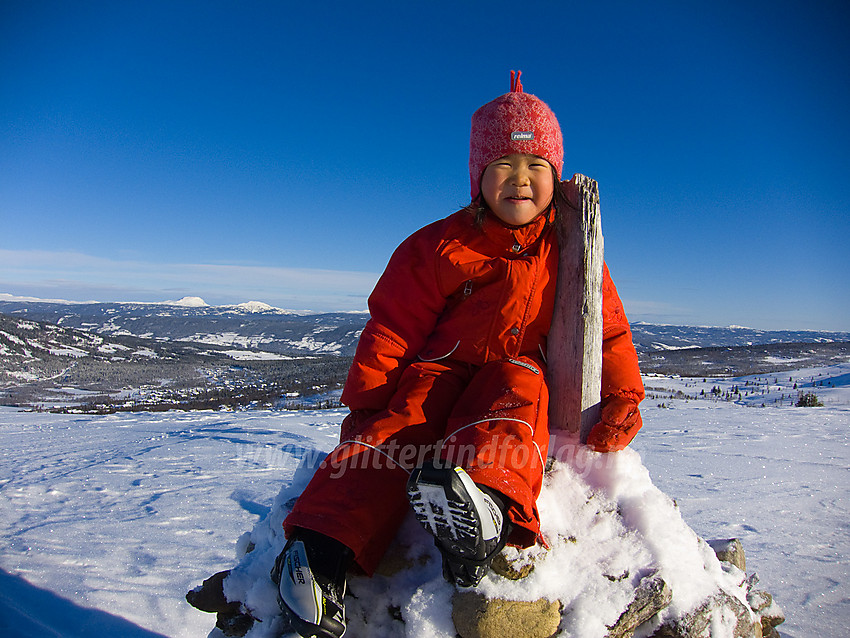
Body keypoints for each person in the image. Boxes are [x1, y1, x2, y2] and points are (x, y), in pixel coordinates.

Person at [271, 71, 645, 638]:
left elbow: (608, 331)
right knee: (394, 435)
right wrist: (370, 399)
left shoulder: (569, 251)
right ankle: (319, 551)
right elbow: (392, 326)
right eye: (504, 167)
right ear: (478, 177)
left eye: (535, 168)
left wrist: (622, 394)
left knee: (513, 405)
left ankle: (485, 504)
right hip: (438, 370)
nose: (520, 181)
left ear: (556, 176)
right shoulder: (442, 245)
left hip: (511, 370)